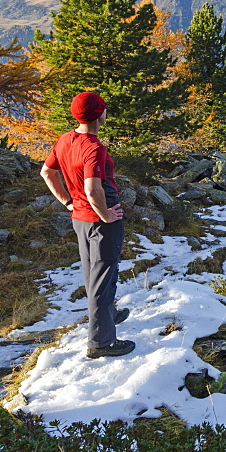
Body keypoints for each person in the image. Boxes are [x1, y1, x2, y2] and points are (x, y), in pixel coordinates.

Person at [40, 92, 134, 358]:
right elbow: (93, 189)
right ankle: (101, 343)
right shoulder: (94, 147)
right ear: (99, 115)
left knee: (94, 273)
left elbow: (47, 172)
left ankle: (108, 314)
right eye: (104, 109)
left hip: (79, 218)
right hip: (100, 221)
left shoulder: (65, 140)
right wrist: (106, 216)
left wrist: (67, 202)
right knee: (101, 278)